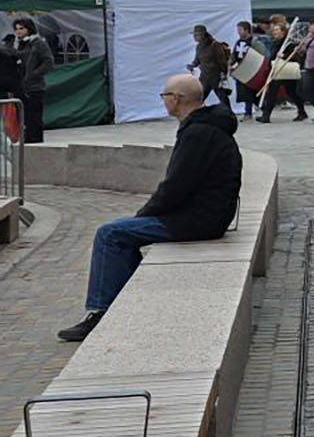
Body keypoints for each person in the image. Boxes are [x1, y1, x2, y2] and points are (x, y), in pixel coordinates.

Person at [57, 74, 240, 342]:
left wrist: (143, 215)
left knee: (110, 234)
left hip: (199, 219)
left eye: (165, 95)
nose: (164, 100)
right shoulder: (206, 127)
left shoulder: (198, 133)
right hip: (208, 214)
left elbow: (175, 187)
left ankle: (102, 314)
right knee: (124, 233)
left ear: (176, 99)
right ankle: (124, 305)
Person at [6, 17, 53, 143]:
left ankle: (35, 141)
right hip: (21, 85)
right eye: (16, 29)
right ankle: (27, 139)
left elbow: (48, 62)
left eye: (21, 28)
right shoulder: (19, 44)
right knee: (24, 116)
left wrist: (34, 74)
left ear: (29, 29)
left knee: (34, 117)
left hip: (34, 86)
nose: (18, 32)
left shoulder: (38, 43)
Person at [258, 17, 308, 123]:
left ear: (283, 32)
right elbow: (272, 56)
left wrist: (283, 56)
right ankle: (301, 112)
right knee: (284, 92)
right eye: (274, 30)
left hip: (286, 70)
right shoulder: (276, 42)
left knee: (286, 93)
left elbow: (294, 57)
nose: (274, 32)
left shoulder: (288, 43)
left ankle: (266, 116)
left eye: (277, 30)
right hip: (277, 70)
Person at [190, 25, 231, 105]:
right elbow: (197, 60)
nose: (194, 37)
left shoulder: (214, 45)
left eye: (196, 35)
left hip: (216, 77)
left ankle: (230, 116)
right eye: (194, 35)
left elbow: (222, 61)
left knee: (223, 98)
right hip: (204, 77)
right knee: (199, 99)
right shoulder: (198, 47)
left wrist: (223, 74)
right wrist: (192, 65)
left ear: (202, 34)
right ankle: (194, 116)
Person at [229, 20, 261, 118]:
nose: (238, 32)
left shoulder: (254, 42)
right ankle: (248, 112)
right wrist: (230, 64)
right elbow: (234, 55)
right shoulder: (239, 42)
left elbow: (260, 55)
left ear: (246, 30)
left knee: (251, 92)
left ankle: (256, 110)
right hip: (241, 70)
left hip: (251, 70)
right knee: (244, 92)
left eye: (240, 30)